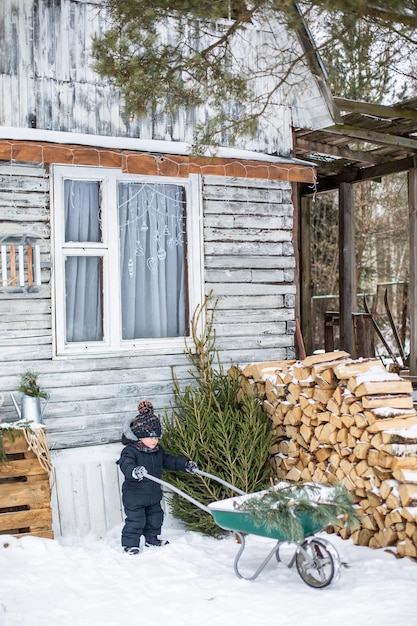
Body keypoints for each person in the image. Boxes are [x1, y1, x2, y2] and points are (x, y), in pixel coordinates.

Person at [117, 399, 198, 555]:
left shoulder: (157, 451)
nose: (154, 440)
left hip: (153, 495)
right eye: (150, 437)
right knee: (136, 521)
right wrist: (134, 471)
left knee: (155, 518)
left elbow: (169, 461)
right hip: (135, 497)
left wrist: (185, 464)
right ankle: (130, 544)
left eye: (156, 437)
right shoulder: (130, 451)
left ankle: (152, 540)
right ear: (139, 436)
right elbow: (125, 465)